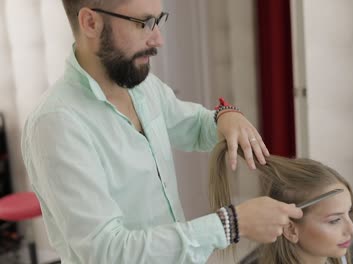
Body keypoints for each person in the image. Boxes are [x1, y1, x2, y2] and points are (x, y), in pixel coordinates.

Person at [20, 0, 303, 263]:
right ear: (90, 23)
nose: (158, 39)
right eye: (143, 23)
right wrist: (229, 224)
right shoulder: (57, 124)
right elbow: (106, 251)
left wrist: (224, 117)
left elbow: (192, 125)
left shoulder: (142, 86)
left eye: (158, 21)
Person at [209, 141, 353, 264]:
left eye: (348, 213)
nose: (352, 229)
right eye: (335, 220)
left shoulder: (338, 257)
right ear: (291, 230)